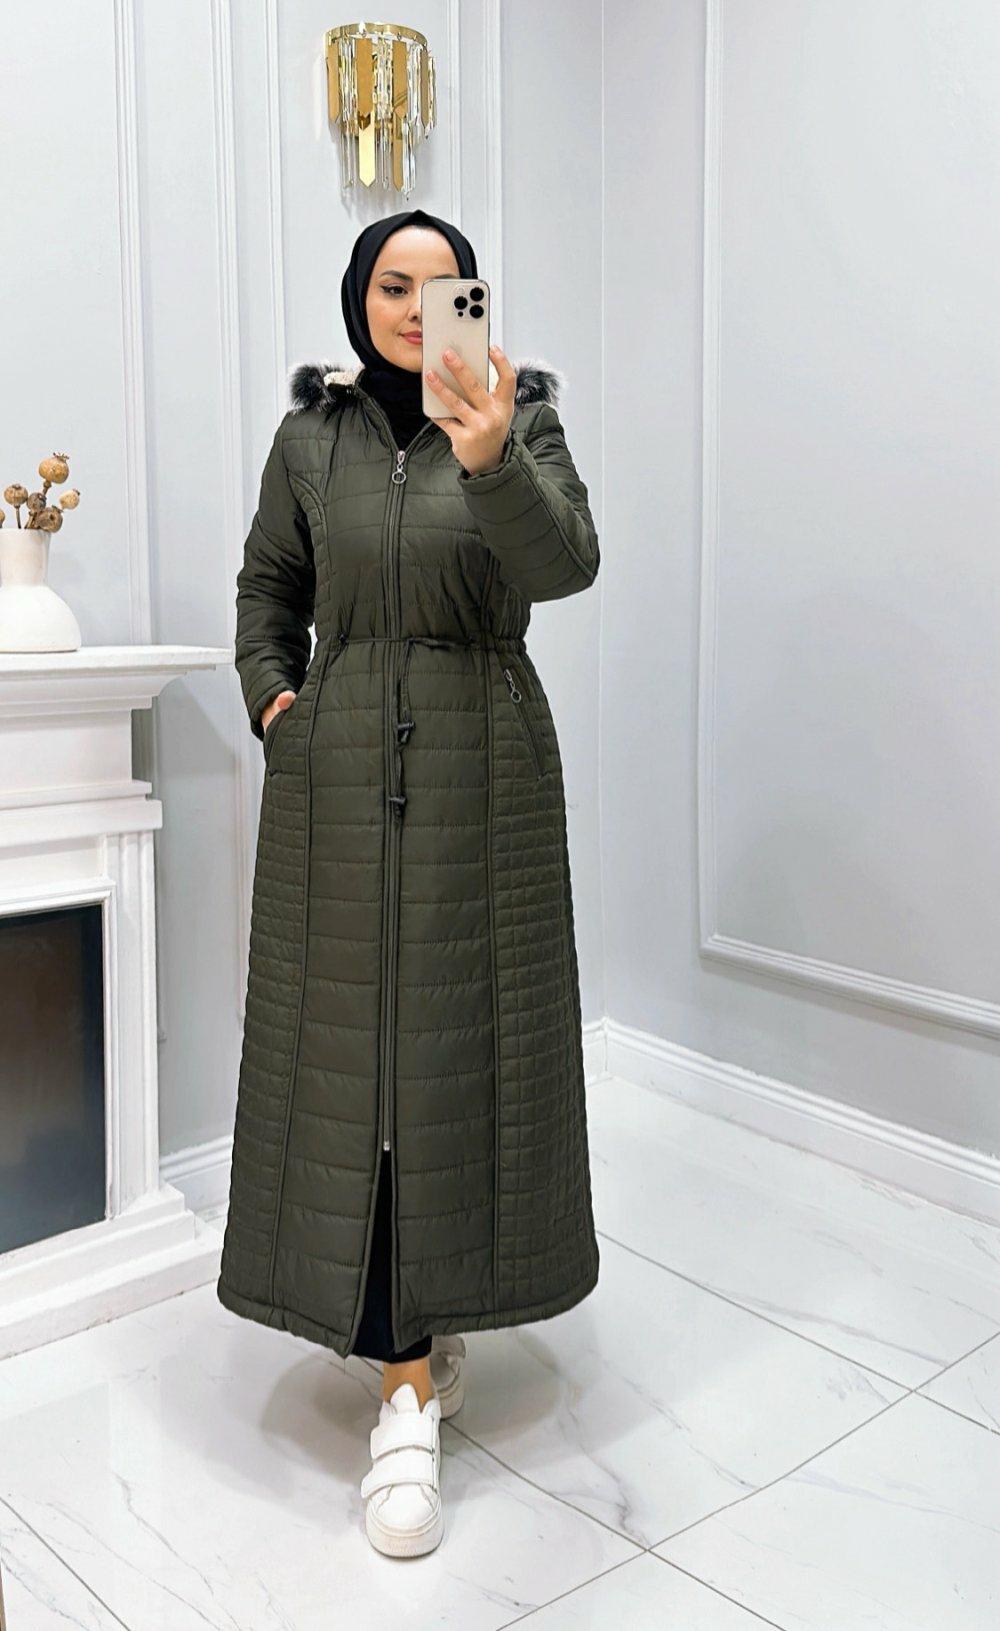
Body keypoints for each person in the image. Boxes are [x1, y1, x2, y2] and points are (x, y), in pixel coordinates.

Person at [217, 207, 601, 1558]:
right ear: (359, 298)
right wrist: (282, 707)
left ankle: (413, 1366)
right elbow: (267, 591)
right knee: (348, 1069)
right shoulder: (309, 439)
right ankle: (400, 1368)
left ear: (474, 307)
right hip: (331, 791)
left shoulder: (522, 416)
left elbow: (566, 564)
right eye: (394, 283)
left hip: (484, 781)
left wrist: (491, 456)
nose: (417, 306)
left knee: (456, 1064)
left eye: (447, 287)